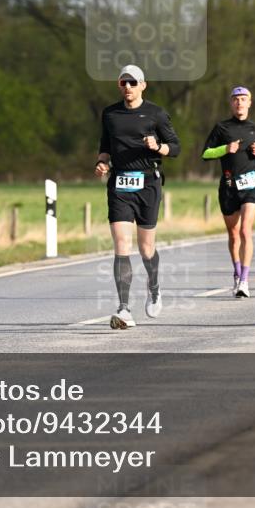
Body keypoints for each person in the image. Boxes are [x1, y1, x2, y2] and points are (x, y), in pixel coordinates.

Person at [95, 65, 180, 329]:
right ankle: (124, 309)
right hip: (120, 183)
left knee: (146, 248)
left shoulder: (156, 114)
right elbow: (105, 147)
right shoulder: (110, 114)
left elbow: (176, 147)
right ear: (119, 86)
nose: (128, 87)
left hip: (148, 183)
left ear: (143, 85)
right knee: (122, 244)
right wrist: (102, 163)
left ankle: (154, 287)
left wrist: (158, 146)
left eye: (133, 82)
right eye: (123, 83)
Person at [201, 86, 255, 297]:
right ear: (231, 103)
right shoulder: (221, 128)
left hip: (250, 185)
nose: (240, 103)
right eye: (236, 99)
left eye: (243, 99)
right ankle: (237, 272)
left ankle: (245, 282)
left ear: (250, 102)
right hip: (229, 186)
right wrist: (224, 149)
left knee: (245, 231)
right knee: (233, 234)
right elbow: (205, 153)